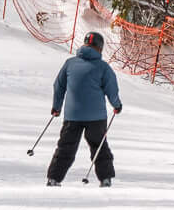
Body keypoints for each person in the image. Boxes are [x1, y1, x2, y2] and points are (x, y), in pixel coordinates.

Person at [46, 30, 121, 186]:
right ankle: (105, 179)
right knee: (99, 146)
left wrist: (56, 107)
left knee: (66, 147)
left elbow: (58, 86)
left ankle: (54, 178)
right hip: (96, 117)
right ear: (100, 48)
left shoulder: (70, 63)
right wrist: (116, 105)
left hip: (72, 115)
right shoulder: (103, 67)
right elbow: (111, 88)